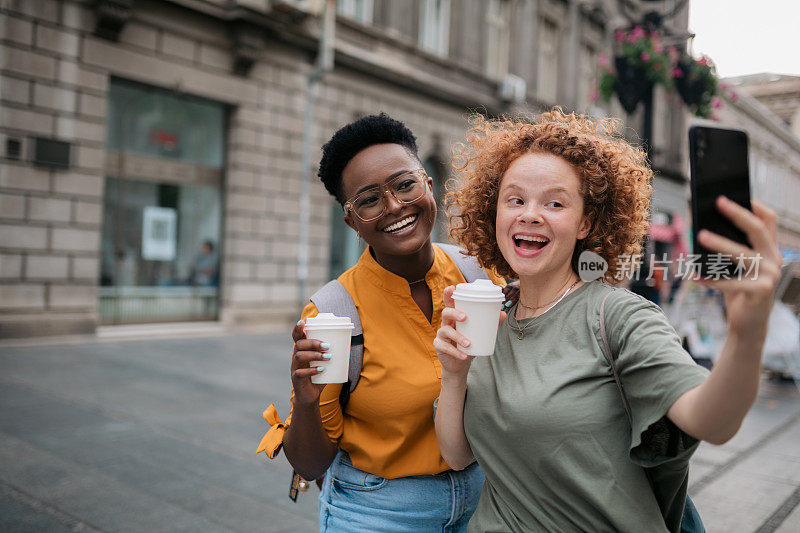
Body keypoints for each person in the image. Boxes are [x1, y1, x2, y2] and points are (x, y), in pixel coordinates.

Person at [433, 110, 781, 532]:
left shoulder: (618, 316)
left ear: (586, 223)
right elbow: (457, 455)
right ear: (495, 213)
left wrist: (747, 335)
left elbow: (714, 422)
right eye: (515, 199)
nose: (530, 214)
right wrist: (453, 375)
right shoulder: (489, 315)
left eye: (555, 203)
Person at [257, 113, 514, 532]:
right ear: (351, 221)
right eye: (369, 200)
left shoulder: (482, 275)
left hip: (487, 503)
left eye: (405, 184)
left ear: (428, 184)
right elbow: (310, 462)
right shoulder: (333, 312)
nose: (394, 205)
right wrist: (305, 402)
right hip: (378, 512)